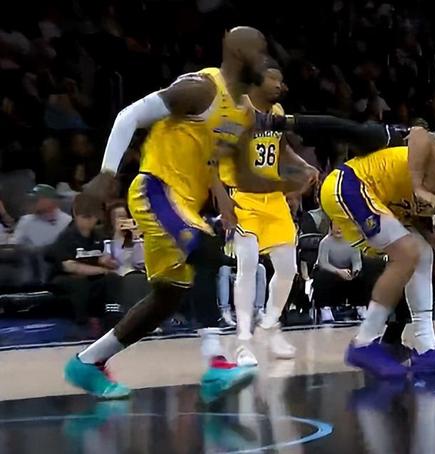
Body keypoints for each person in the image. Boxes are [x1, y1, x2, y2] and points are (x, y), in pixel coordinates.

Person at [64, 26, 301, 400]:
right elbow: (129, 116)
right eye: (257, 50)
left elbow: (215, 159)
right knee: (207, 251)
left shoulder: (243, 111)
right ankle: (216, 362)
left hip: (185, 204)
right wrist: (106, 175)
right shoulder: (201, 89)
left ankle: (87, 362)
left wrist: (236, 195)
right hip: (156, 189)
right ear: (237, 53)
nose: (264, 58)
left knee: (167, 298)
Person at [319, 127, 435, 378]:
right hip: (350, 184)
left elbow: (415, 217)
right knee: (407, 252)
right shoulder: (431, 156)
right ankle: (363, 343)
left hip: (373, 202)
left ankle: (426, 349)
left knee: (422, 252)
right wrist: (417, 185)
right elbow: (418, 133)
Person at [218, 59, 318, 366]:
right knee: (247, 266)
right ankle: (243, 340)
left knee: (287, 268)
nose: (280, 85)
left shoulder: (276, 112)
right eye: (274, 79)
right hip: (244, 197)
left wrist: (303, 165)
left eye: (281, 80)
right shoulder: (236, 110)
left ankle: (270, 325)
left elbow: (281, 146)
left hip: (274, 198)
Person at [46, 194, 123, 331]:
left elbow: (108, 260)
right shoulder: (66, 238)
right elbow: (70, 267)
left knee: (113, 279)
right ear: (76, 215)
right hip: (64, 278)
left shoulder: (99, 237)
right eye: (85, 217)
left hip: (92, 277)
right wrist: (102, 270)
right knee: (79, 282)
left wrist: (109, 258)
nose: (89, 221)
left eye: (92, 217)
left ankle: (113, 316)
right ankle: (82, 322)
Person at [13, 184, 72, 249]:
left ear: (50, 200)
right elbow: (14, 246)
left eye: (36, 199)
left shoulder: (67, 221)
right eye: (31, 199)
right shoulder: (26, 221)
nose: (31, 202)